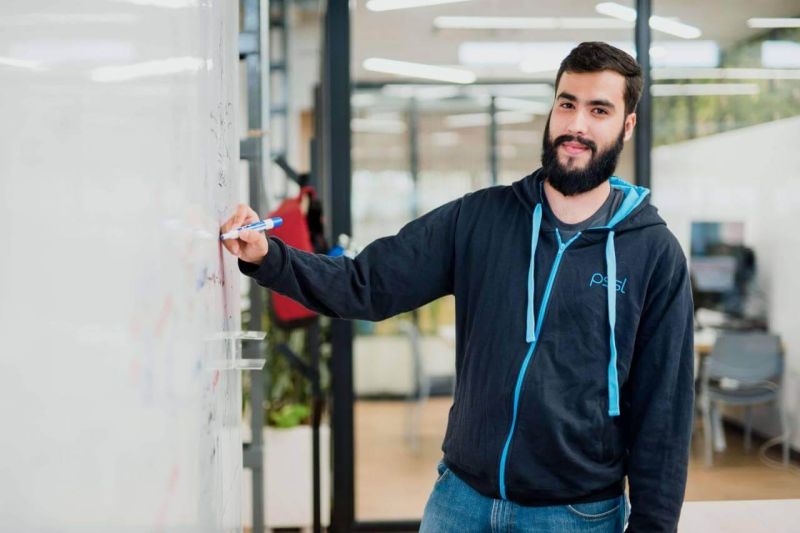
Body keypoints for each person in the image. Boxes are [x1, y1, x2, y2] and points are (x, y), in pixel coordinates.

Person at [221, 42, 694, 533]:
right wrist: (267, 255)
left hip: (575, 515)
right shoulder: (479, 218)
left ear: (627, 125)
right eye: (567, 104)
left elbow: (665, 410)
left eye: (599, 110)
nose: (576, 125)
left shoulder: (653, 253)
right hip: (461, 503)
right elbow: (367, 284)